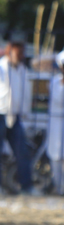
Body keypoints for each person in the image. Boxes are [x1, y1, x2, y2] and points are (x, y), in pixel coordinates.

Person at [0, 41, 35, 195]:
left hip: (15, 116)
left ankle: (26, 186)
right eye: (18, 53)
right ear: (9, 52)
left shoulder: (23, 70)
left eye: (22, 53)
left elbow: (26, 94)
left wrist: (25, 112)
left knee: (22, 151)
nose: (21, 56)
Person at [47, 55, 64, 195]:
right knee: (56, 156)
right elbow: (59, 99)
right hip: (56, 123)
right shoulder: (55, 81)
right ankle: (58, 187)